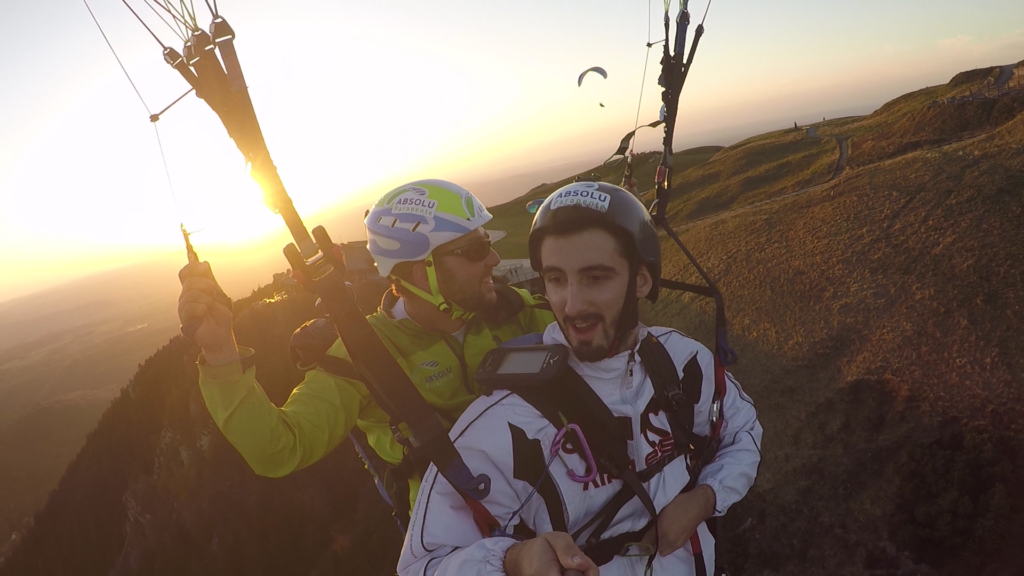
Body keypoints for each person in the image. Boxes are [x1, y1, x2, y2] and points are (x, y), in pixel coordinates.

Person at [398, 182, 762, 576]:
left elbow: (742, 432)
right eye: (556, 279)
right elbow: (423, 565)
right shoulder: (502, 424)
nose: (572, 305)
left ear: (641, 280)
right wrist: (514, 560)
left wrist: (704, 499)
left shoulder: (682, 362)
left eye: (596, 278)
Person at [177, 179, 554, 528]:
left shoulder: (511, 310)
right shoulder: (365, 355)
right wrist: (221, 351)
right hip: (466, 536)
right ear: (423, 274)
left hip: (561, 496)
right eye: (476, 249)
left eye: (486, 242)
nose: (493, 260)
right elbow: (279, 449)